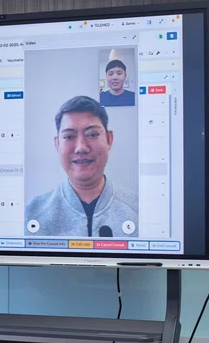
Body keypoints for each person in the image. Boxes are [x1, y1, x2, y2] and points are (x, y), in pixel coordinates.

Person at [25, 96, 138, 238]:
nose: (81, 148)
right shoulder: (31, 214)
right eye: (69, 137)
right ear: (57, 144)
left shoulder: (140, 209)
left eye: (92, 134)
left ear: (109, 139)